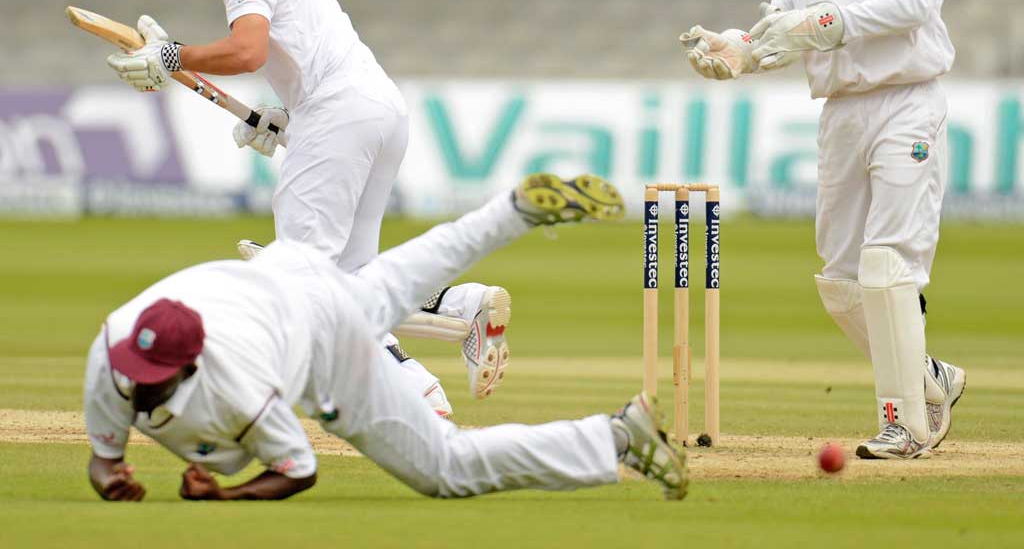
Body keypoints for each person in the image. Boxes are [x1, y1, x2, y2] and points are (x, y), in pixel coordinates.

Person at [104, 0, 497, 416]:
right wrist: (286, 114)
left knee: (305, 283)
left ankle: (416, 396)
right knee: (352, 274)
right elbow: (299, 54)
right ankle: (466, 305)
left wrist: (172, 55)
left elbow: (247, 51)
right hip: (373, 108)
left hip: (341, 112)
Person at [84, 173, 684, 502]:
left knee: (446, 468)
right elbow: (104, 461)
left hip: (323, 342)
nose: (132, 386)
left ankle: (612, 441)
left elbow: (297, 469)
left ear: (190, 368)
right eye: (132, 373)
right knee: (405, 274)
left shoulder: (237, 389)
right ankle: (514, 211)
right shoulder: (110, 352)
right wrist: (112, 477)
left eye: (152, 381)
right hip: (288, 272)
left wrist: (225, 496)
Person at [680, 0, 965, 459]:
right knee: (840, 283)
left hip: (906, 103)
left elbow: (916, 5)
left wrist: (827, 21)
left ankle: (906, 422)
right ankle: (931, 379)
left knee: (888, 265)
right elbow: (781, 27)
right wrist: (736, 52)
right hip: (841, 112)